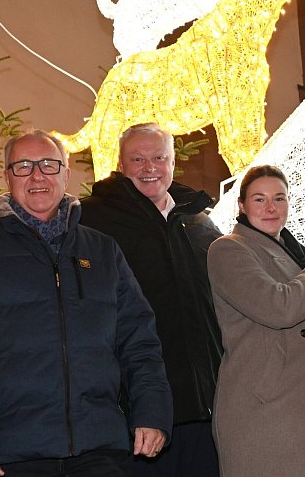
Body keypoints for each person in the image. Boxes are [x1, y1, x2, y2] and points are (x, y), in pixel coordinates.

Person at [0, 130, 173, 477]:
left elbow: (139, 342)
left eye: (49, 165)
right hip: (8, 456)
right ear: (7, 177)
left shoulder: (102, 250)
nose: (37, 176)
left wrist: (152, 411)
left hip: (99, 451)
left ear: (66, 174)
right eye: (23, 166)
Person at [206, 165, 305, 477]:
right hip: (267, 413)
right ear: (241, 205)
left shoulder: (293, 256)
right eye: (260, 199)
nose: (271, 208)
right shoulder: (228, 248)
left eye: (279, 198)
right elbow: (280, 307)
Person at [80, 123, 224, 477]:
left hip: (206, 409)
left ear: (173, 163)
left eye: (159, 158)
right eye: (138, 159)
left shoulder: (200, 223)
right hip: (135, 413)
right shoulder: (91, 221)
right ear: (120, 165)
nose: (150, 168)